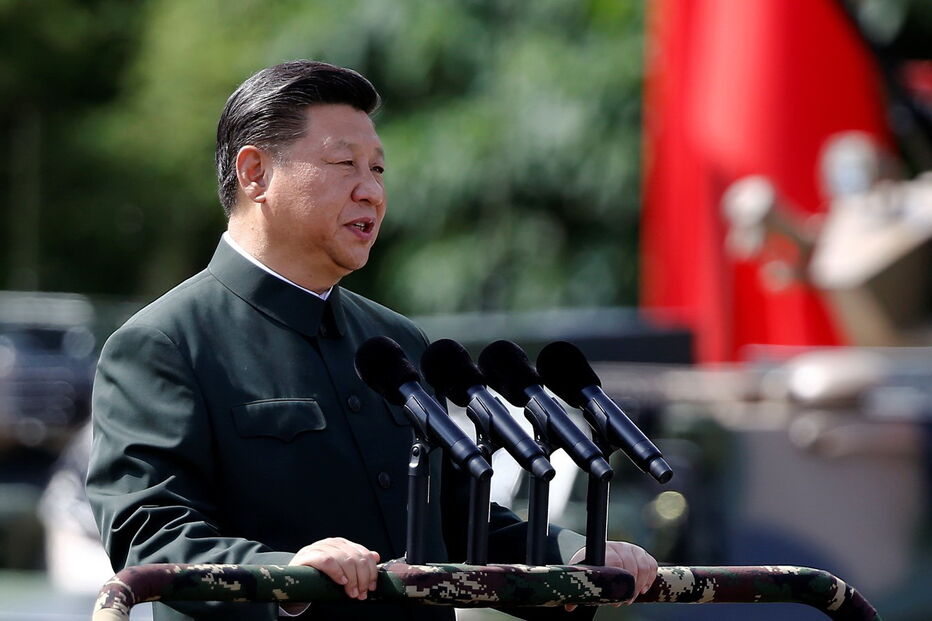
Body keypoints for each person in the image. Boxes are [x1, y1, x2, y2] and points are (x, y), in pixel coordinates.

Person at [86, 60, 657, 621]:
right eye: (344, 164)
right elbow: (150, 538)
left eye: (379, 170)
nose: (371, 193)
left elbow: (462, 524)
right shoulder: (164, 343)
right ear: (255, 173)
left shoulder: (397, 341)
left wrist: (575, 558)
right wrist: (285, 574)